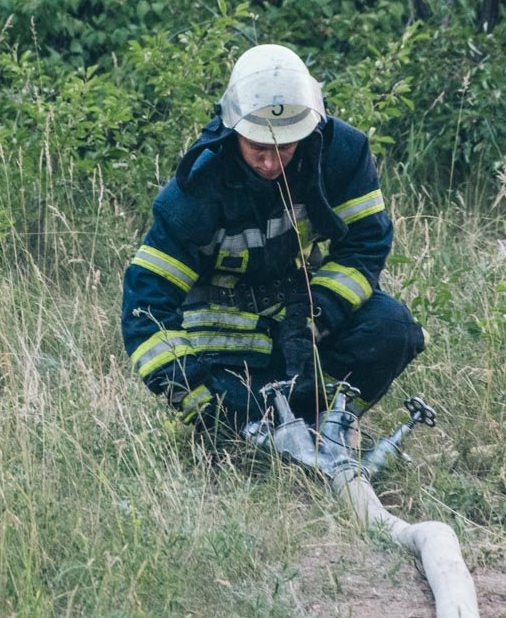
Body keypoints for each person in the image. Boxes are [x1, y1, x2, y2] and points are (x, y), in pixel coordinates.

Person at [121, 44, 425, 442]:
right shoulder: (194, 193)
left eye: (284, 146)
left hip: (299, 319)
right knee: (233, 425)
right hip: (224, 343)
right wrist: (201, 407)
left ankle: (327, 422)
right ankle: (244, 429)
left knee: (392, 328)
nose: (271, 162)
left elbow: (366, 244)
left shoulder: (340, 154)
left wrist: (317, 313)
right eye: (259, 149)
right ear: (235, 132)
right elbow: (146, 310)